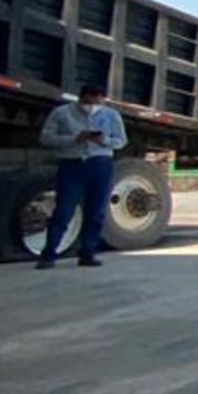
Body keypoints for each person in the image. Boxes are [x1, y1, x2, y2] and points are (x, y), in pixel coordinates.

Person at [36, 82, 128, 269]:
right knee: (64, 211)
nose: (93, 107)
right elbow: (46, 137)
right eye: (90, 102)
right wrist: (74, 138)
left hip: (100, 164)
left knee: (96, 212)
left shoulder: (111, 115)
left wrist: (104, 140)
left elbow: (121, 141)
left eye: (98, 103)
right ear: (82, 98)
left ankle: (88, 253)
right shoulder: (62, 113)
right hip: (72, 164)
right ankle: (48, 254)